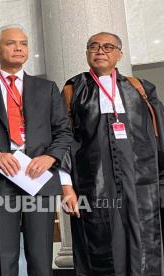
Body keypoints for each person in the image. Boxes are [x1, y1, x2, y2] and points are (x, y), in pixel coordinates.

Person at [0, 25, 72, 276]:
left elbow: (64, 131)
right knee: (4, 254)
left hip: (38, 176)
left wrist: (50, 156)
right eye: (11, 43)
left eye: (23, 43)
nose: (19, 48)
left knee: (41, 253)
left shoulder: (47, 88)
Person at [61, 32, 164, 276]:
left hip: (141, 183)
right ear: (87, 53)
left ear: (120, 54)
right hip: (94, 184)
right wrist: (67, 189)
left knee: (144, 246)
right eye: (94, 46)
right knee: (100, 246)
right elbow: (63, 140)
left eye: (108, 47)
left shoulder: (141, 88)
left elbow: (160, 136)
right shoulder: (73, 89)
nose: (100, 51)